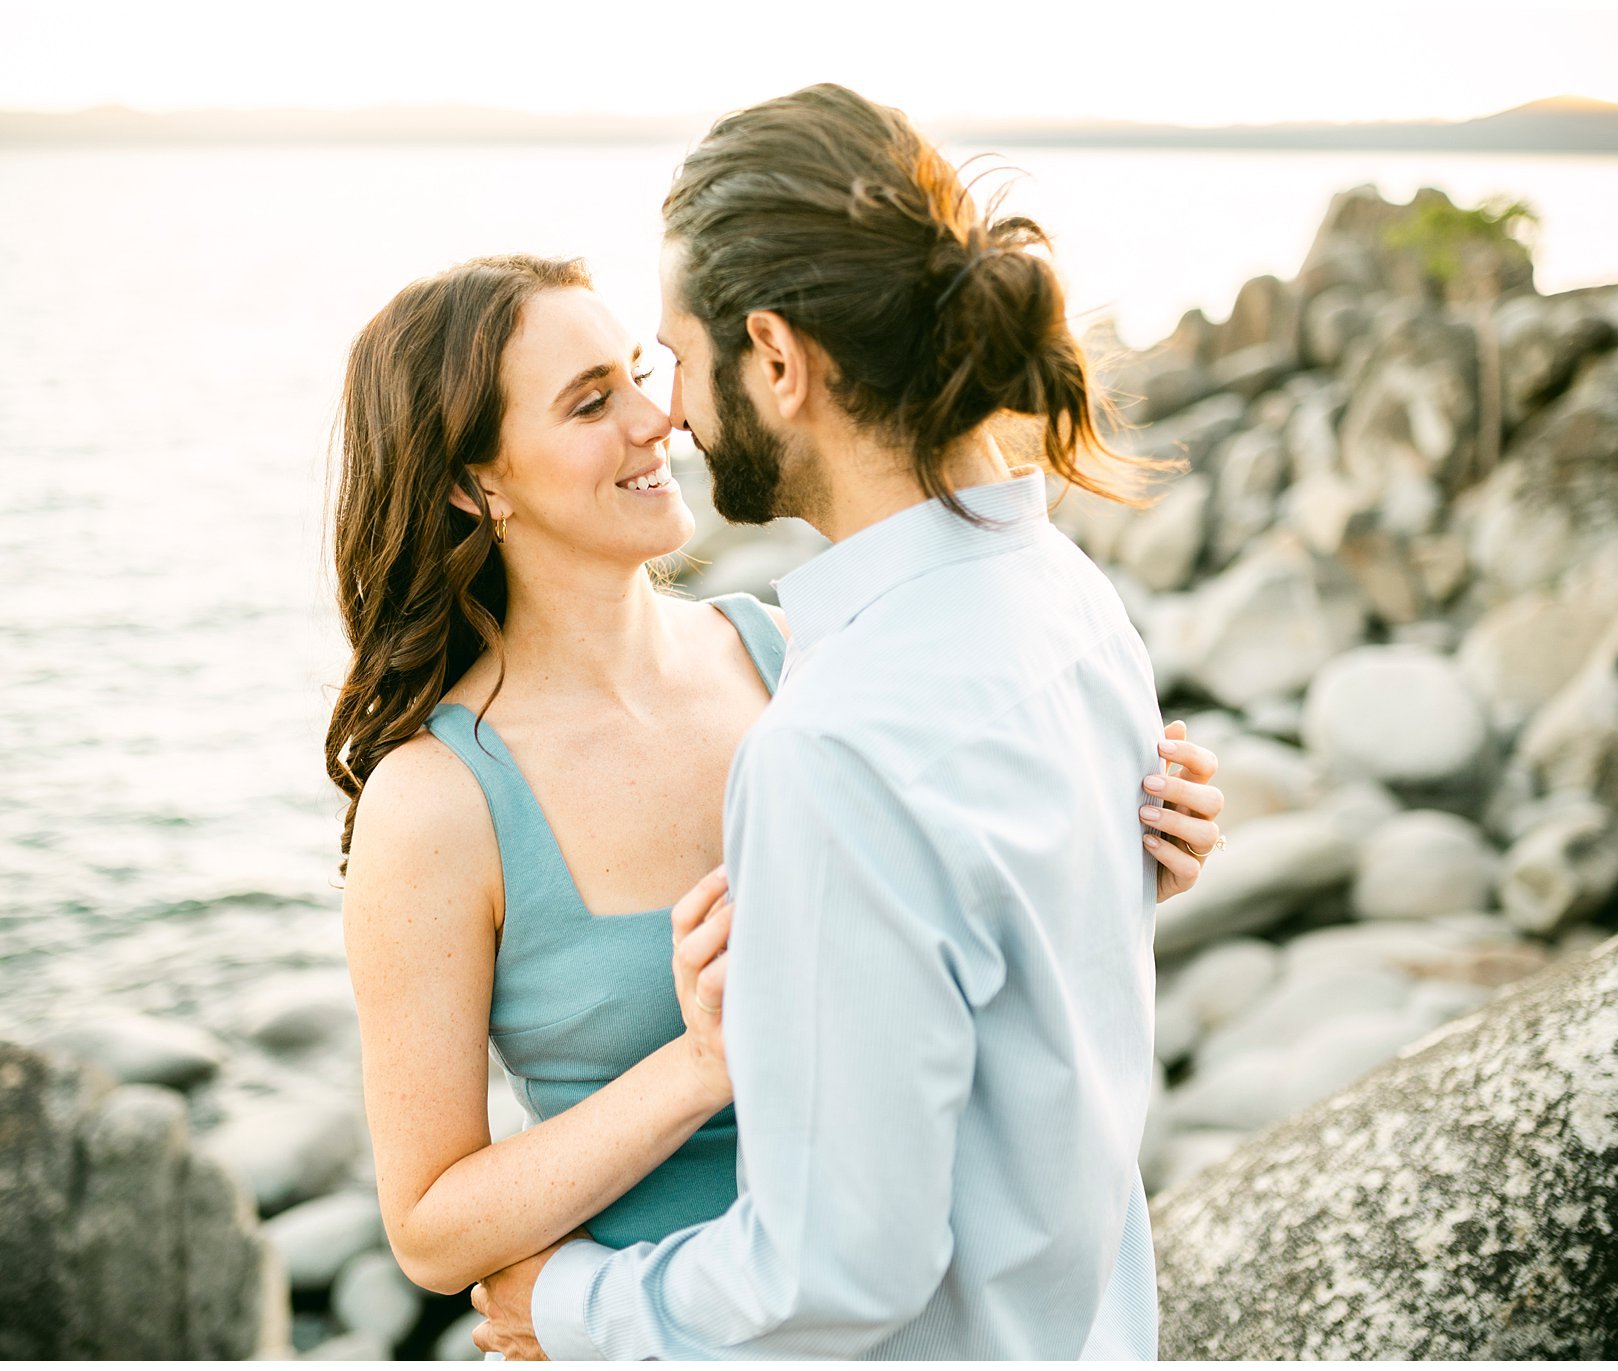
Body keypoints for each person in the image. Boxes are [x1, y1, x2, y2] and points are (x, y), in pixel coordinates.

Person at [460, 84, 1216, 1361]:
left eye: (678, 362)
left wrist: (566, 1306)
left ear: (775, 357)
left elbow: (840, 1269)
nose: (675, 416)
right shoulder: (1070, 602)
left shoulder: (834, 746)